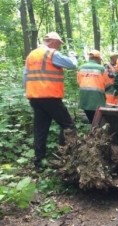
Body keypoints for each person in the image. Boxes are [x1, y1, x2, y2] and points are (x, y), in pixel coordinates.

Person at [24, 31, 77, 170]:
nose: (59, 46)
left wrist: (29, 92)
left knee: (40, 129)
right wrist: (73, 56)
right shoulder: (51, 53)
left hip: (35, 97)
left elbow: (26, 76)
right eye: (59, 43)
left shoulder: (31, 55)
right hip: (50, 97)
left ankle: (38, 162)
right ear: (53, 41)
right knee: (68, 126)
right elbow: (72, 65)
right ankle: (64, 157)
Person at [77, 50, 109, 123]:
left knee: (91, 119)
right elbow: (107, 84)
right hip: (97, 98)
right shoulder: (101, 68)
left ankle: (93, 130)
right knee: (99, 120)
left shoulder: (81, 67)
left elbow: (78, 82)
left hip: (84, 97)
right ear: (97, 58)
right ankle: (97, 131)